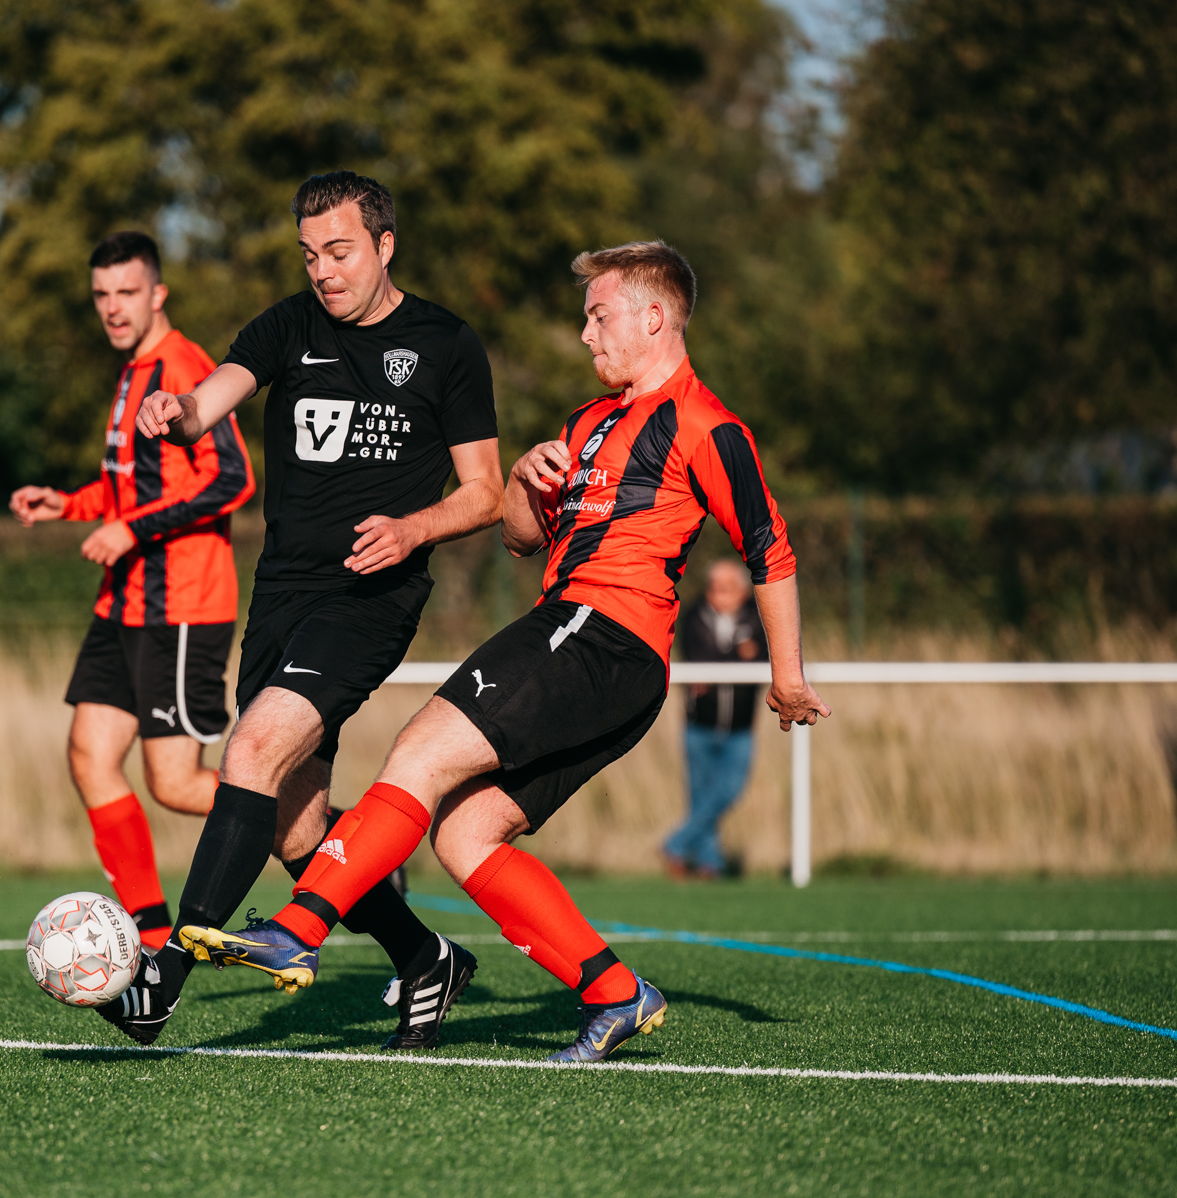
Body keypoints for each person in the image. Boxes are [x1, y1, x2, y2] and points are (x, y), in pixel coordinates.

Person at [186, 240, 831, 1062]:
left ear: (653, 317)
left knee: (419, 751)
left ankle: (297, 929)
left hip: (601, 634)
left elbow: (770, 549)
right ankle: (615, 992)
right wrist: (526, 481)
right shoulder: (589, 422)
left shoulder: (707, 425)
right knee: (464, 833)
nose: (586, 334)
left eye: (598, 316)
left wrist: (786, 676)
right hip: (593, 648)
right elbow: (524, 541)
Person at [100, 171, 505, 1047]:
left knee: (249, 749)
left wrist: (412, 529)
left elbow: (486, 493)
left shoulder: (445, 343)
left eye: (340, 251)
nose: (323, 270)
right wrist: (176, 410)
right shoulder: (288, 325)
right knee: (294, 826)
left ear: (385, 246)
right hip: (280, 594)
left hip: (369, 599)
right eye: (309, 253)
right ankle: (425, 956)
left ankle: (162, 978)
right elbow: (209, 402)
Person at [9, 231, 254, 950]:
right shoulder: (131, 373)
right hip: (123, 603)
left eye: (127, 292)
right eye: (101, 295)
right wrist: (68, 504)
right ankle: (147, 937)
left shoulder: (183, 369)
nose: (113, 307)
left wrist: (132, 530)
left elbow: (232, 478)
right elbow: (131, 489)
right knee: (89, 754)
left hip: (180, 605)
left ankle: (336, 839)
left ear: (158, 294)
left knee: (175, 784)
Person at [664, 559, 768, 878]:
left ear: (742, 592)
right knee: (700, 796)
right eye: (714, 586)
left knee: (730, 789)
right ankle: (711, 864)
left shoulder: (758, 617)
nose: (718, 593)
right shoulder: (694, 615)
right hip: (699, 724)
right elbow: (697, 659)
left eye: (726, 588)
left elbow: (761, 657)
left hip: (740, 726)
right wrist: (738, 652)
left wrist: (726, 659)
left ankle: (677, 844)